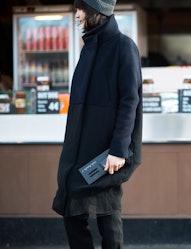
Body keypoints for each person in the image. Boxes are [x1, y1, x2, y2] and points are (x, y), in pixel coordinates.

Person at [52, 0, 142, 248]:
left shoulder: (124, 47)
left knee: (107, 210)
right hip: (79, 147)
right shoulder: (88, 48)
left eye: (81, 9)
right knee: (70, 202)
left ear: (97, 11)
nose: (77, 15)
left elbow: (129, 102)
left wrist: (118, 150)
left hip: (108, 149)